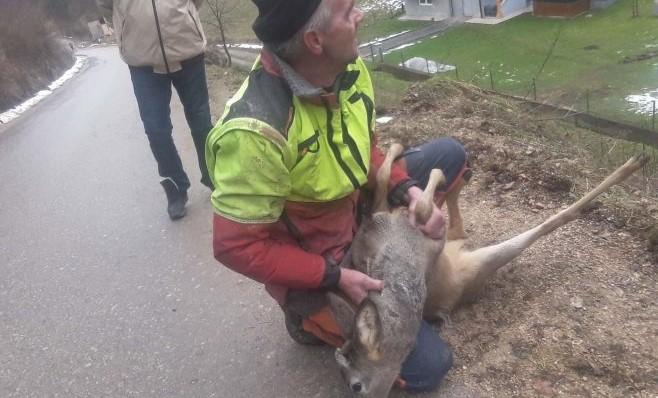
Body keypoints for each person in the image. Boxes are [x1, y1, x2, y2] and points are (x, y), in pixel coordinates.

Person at [206, 0, 470, 392]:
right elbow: (235, 246)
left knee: (450, 155)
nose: (360, 15)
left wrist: (408, 190)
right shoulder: (255, 133)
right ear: (315, 40)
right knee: (429, 368)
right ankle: (306, 318)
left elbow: (364, 149)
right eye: (348, 12)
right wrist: (335, 276)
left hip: (359, 213)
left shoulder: (347, 69)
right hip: (321, 259)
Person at [96, 0, 214, 220]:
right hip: (142, 62)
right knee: (156, 129)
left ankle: (215, 177)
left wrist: (182, 13)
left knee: (201, 121)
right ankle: (176, 189)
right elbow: (105, 5)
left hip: (187, 50)